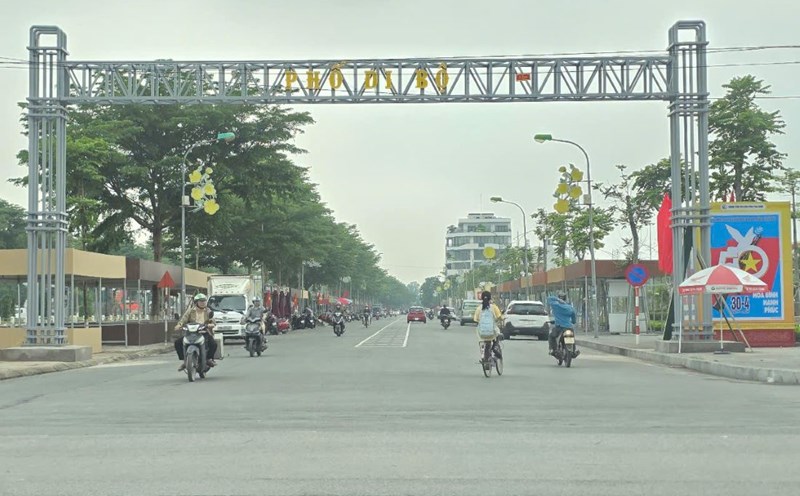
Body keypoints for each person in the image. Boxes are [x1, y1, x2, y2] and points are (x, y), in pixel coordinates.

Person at [174, 293, 217, 371]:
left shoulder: (208, 311)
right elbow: (183, 320)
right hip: (191, 333)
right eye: (201, 301)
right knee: (178, 343)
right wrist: (179, 325)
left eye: (204, 301)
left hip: (204, 332)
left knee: (213, 344)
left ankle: (209, 359)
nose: (203, 303)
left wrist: (211, 324)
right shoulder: (190, 311)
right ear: (196, 302)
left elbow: (212, 321)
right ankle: (185, 361)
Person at [473, 291, 503, 363]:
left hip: (482, 333)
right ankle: (495, 348)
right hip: (492, 332)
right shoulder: (494, 307)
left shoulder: (479, 308)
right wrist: (502, 319)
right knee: (498, 334)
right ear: (490, 298)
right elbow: (499, 317)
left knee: (483, 341)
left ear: (482, 298)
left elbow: (476, 320)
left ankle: (484, 357)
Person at [547, 291, 577, 355]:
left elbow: (549, 298)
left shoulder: (555, 305)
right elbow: (574, 319)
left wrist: (557, 299)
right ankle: (574, 351)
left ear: (559, 298)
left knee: (551, 336)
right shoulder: (570, 308)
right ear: (565, 298)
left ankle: (553, 350)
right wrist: (573, 321)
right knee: (572, 338)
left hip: (559, 327)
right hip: (568, 327)